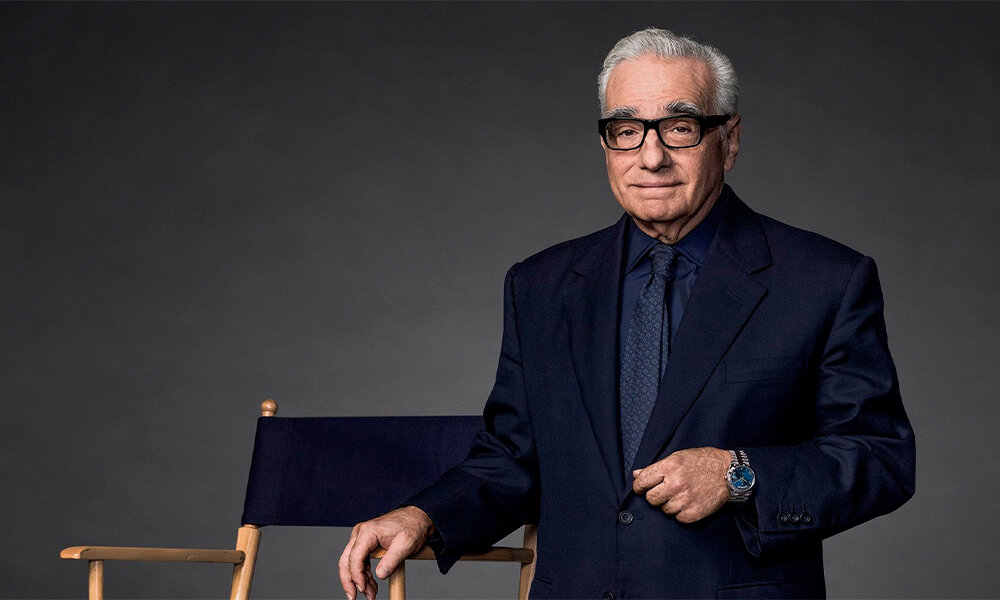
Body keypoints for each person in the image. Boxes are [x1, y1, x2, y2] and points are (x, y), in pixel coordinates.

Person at [338, 27, 915, 600]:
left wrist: (737, 474)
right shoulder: (539, 286)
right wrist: (423, 516)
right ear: (606, 144)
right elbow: (514, 458)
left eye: (681, 128)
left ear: (729, 139)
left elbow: (880, 457)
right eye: (627, 131)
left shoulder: (825, 280)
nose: (652, 157)